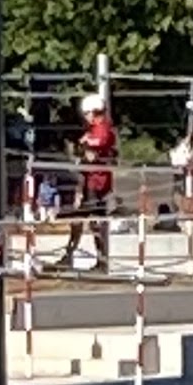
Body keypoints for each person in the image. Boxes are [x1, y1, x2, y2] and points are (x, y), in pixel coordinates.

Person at [75, 95, 118, 272]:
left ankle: (100, 259)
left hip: (97, 181)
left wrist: (85, 144)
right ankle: (97, 258)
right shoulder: (95, 130)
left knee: (90, 220)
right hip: (92, 180)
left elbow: (97, 146)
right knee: (87, 220)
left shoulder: (102, 129)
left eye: (87, 114)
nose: (86, 118)